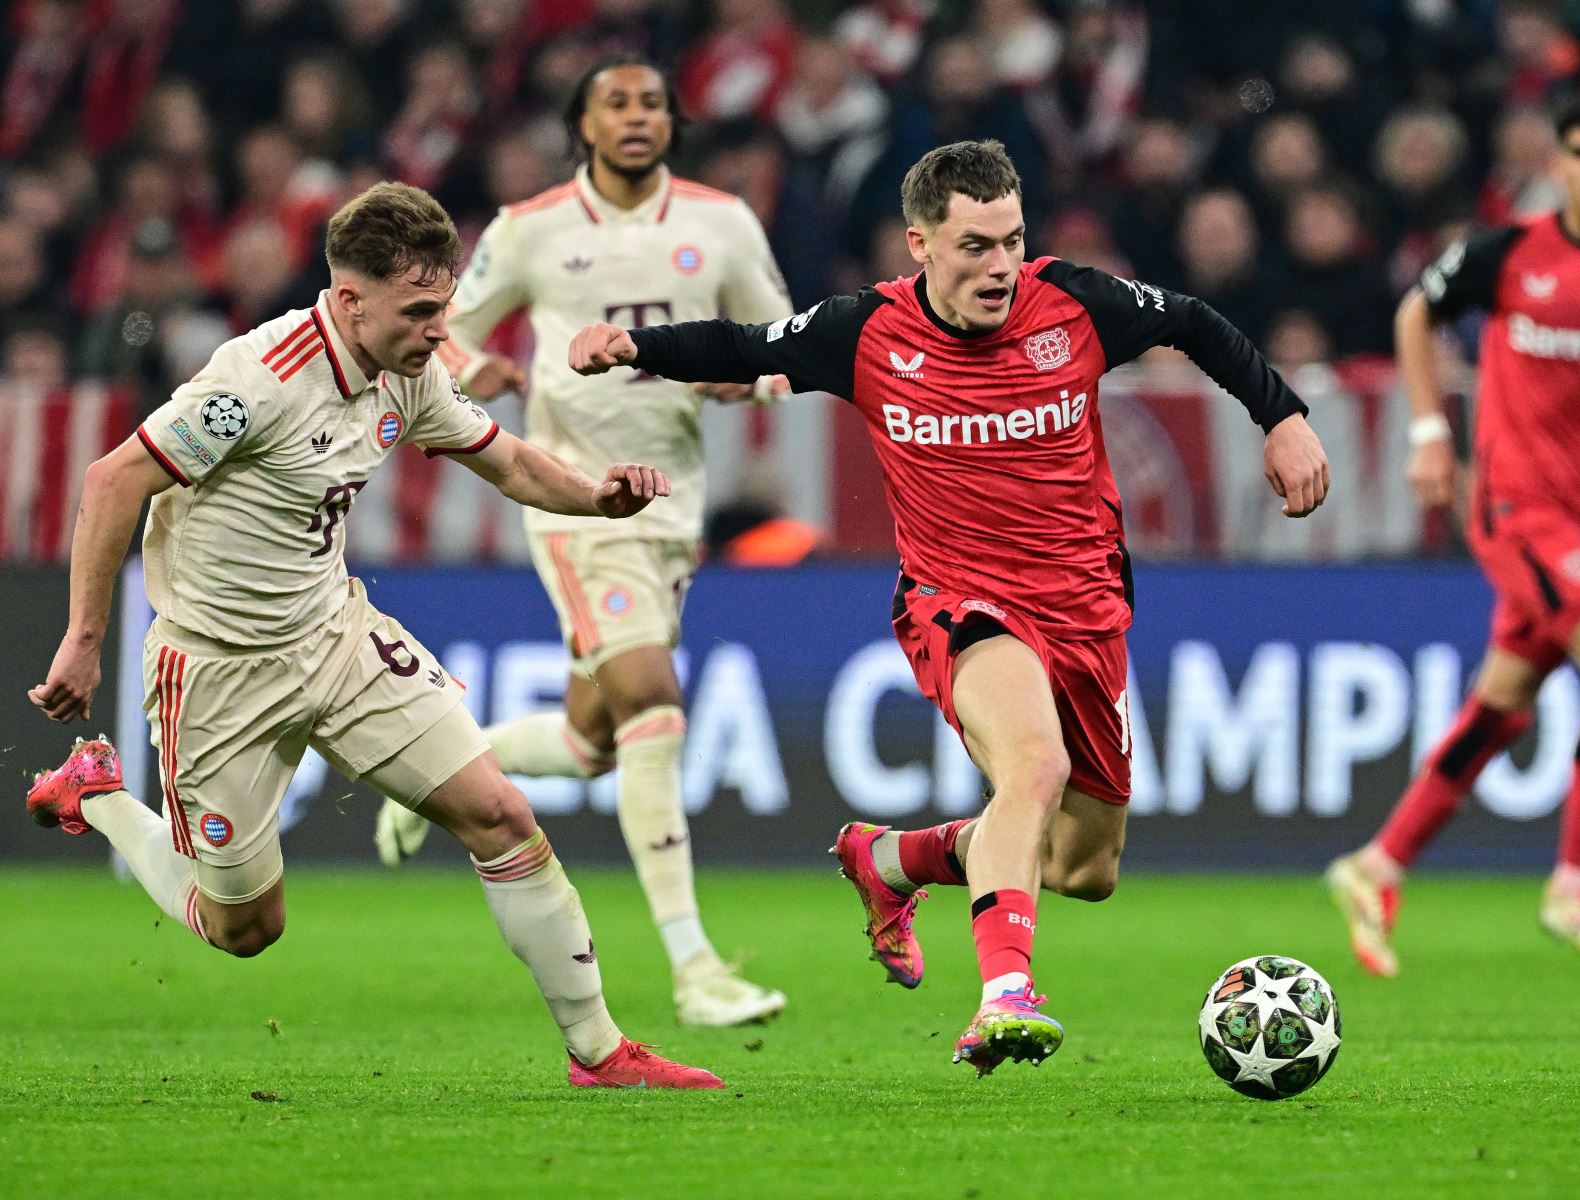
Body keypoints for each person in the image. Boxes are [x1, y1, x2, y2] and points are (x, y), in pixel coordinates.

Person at [567, 139, 1331, 1074]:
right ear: (919, 243)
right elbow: (741, 344)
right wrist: (631, 347)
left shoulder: (1076, 304)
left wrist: (1282, 416)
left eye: (1011, 240)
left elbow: (1198, 323)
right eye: (974, 246)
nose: (1000, 266)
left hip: (1086, 607)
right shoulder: (865, 333)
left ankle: (895, 861)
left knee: (1085, 868)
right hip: (960, 602)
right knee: (1033, 766)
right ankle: (1005, 994)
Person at [25, 181, 721, 1090]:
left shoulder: (409, 371)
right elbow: (114, 481)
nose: (442, 330)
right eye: (422, 310)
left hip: (336, 636)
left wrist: (598, 496)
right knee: (245, 929)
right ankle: (102, 795)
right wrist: (84, 639)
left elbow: (507, 461)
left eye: (447, 307)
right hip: (219, 667)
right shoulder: (257, 381)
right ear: (350, 301)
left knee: (501, 814)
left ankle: (599, 1054)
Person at [370, 53, 791, 1028]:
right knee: (652, 699)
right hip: (573, 501)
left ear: (672, 122)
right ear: (584, 125)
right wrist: (492, 370)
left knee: (592, 742)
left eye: (650, 102)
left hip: (674, 509)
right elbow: (447, 332)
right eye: (615, 103)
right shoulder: (531, 229)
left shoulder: (720, 223)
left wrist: (752, 377)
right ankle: (695, 972)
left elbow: (784, 341)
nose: (635, 116)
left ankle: (441, 769)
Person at [1325, 94, 1580, 976]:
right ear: (1560, 165)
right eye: (1578, 150)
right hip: (1517, 507)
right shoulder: (1507, 251)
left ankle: (1376, 863)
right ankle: (1577, 882)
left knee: (1501, 710)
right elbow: (1415, 314)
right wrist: (1432, 433)